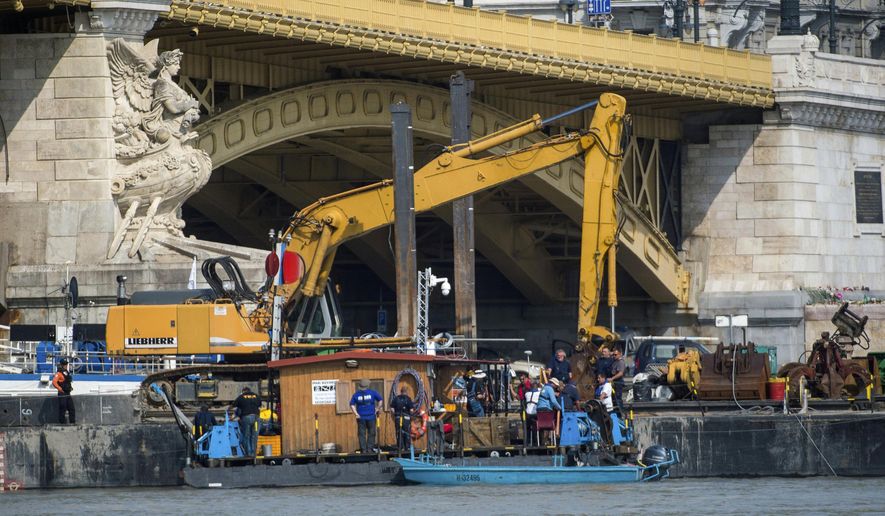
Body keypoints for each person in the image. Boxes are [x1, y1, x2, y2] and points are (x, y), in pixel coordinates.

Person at [350, 379, 383, 453]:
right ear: (368, 385)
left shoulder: (356, 394)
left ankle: (363, 450)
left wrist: (356, 413)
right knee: (372, 433)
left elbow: (352, 404)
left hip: (360, 417)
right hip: (371, 416)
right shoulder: (372, 393)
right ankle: (370, 449)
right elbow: (380, 400)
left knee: (361, 434)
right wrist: (377, 408)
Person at [233, 386, 261, 456]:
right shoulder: (256, 396)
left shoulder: (241, 396)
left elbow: (234, 405)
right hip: (256, 418)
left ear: (243, 391)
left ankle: (248, 454)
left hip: (246, 418)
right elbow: (259, 405)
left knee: (246, 436)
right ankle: (254, 453)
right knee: (254, 436)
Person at [389, 385, 414, 451]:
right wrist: (411, 416)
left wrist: (394, 413)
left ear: (401, 391)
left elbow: (392, 408)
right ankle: (407, 447)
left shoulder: (396, 398)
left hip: (398, 417)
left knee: (398, 432)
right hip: (406, 418)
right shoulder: (408, 399)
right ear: (406, 391)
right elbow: (411, 410)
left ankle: (400, 447)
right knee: (407, 432)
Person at [52, 358, 75, 424]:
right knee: (63, 408)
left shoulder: (67, 372)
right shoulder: (59, 373)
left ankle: (72, 422)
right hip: (62, 393)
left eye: (66, 364)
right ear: (61, 365)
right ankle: (62, 423)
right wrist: (60, 389)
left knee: (71, 408)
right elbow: (54, 382)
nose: (66, 365)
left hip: (68, 393)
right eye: (64, 364)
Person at [609, 347, 626, 411]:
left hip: (618, 381)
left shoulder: (620, 362)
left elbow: (620, 373)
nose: (614, 356)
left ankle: (620, 412)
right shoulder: (614, 361)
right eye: (613, 354)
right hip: (614, 381)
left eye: (615, 355)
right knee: (614, 398)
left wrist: (612, 378)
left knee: (618, 398)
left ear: (620, 354)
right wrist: (611, 353)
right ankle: (616, 411)